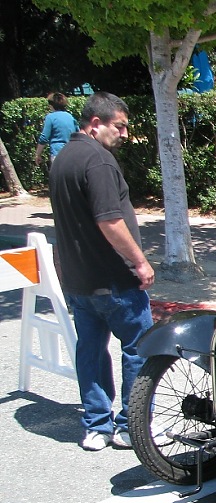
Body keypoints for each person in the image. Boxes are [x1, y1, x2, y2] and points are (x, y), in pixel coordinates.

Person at [48, 92, 155, 450]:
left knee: (90, 352)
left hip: (80, 281)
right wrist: (139, 262)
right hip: (114, 280)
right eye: (119, 126)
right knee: (138, 349)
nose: (124, 134)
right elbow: (110, 221)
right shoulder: (99, 161)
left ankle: (96, 425)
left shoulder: (62, 159)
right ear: (96, 124)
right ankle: (130, 425)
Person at [34, 92, 79, 166]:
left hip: (57, 154)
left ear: (51, 105)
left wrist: (37, 154)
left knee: (58, 177)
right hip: (72, 153)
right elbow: (78, 134)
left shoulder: (50, 117)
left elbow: (44, 138)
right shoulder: (70, 117)